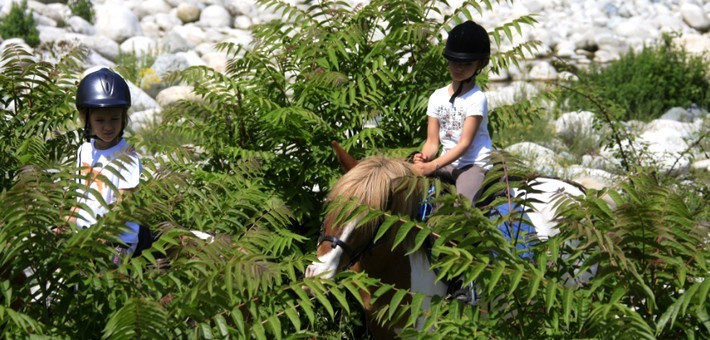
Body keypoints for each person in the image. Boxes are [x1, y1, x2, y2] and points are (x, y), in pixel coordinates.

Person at [64, 67, 143, 265]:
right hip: (88, 232)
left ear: (123, 117)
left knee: (103, 270)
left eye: (114, 119)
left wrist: (101, 237)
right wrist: (67, 221)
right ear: (86, 119)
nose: (108, 126)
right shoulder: (84, 150)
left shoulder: (128, 156)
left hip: (117, 238)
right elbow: (81, 196)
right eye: (100, 120)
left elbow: (124, 207)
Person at [413, 20, 493, 205]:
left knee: (461, 207)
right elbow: (432, 142)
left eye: (466, 63)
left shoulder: (476, 98)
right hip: (446, 162)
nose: (458, 67)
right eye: (454, 61)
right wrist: (424, 157)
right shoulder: (437, 97)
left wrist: (433, 165)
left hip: (472, 165)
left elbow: (464, 144)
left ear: (480, 64)